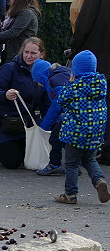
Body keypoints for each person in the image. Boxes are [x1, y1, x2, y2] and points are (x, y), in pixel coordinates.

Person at [53, 50, 108, 204]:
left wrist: (70, 83)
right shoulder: (101, 85)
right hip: (95, 132)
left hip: (75, 133)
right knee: (90, 159)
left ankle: (70, 194)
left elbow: (61, 100)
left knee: (72, 163)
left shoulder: (75, 87)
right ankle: (99, 180)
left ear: (76, 69)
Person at [0, 37, 49, 169]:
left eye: (33, 53)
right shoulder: (9, 68)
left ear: (42, 54)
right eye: (26, 52)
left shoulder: (45, 71)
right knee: (13, 162)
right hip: (7, 124)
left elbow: (46, 102)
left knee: (35, 159)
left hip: (30, 124)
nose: (28, 56)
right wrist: (5, 95)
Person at [70, 0, 109, 164]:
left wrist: (74, 50)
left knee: (91, 106)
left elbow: (83, 27)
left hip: (98, 60)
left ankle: (89, 148)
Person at [32, 59, 72, 175]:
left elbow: (57, 105)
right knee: (66, 140)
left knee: (55, 138)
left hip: (70, 115)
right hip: (79, 114)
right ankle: (73, 165)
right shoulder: (65, 73)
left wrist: (44, 126)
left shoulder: (52, 82)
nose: (38, 85)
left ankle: (55, 164)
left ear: (41, 77)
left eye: (37, 81)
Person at [0, 0, 38, 65]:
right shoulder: (22, 12)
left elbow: (13, 32)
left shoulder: (26, 13)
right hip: (13, 52)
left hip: (17, 53)